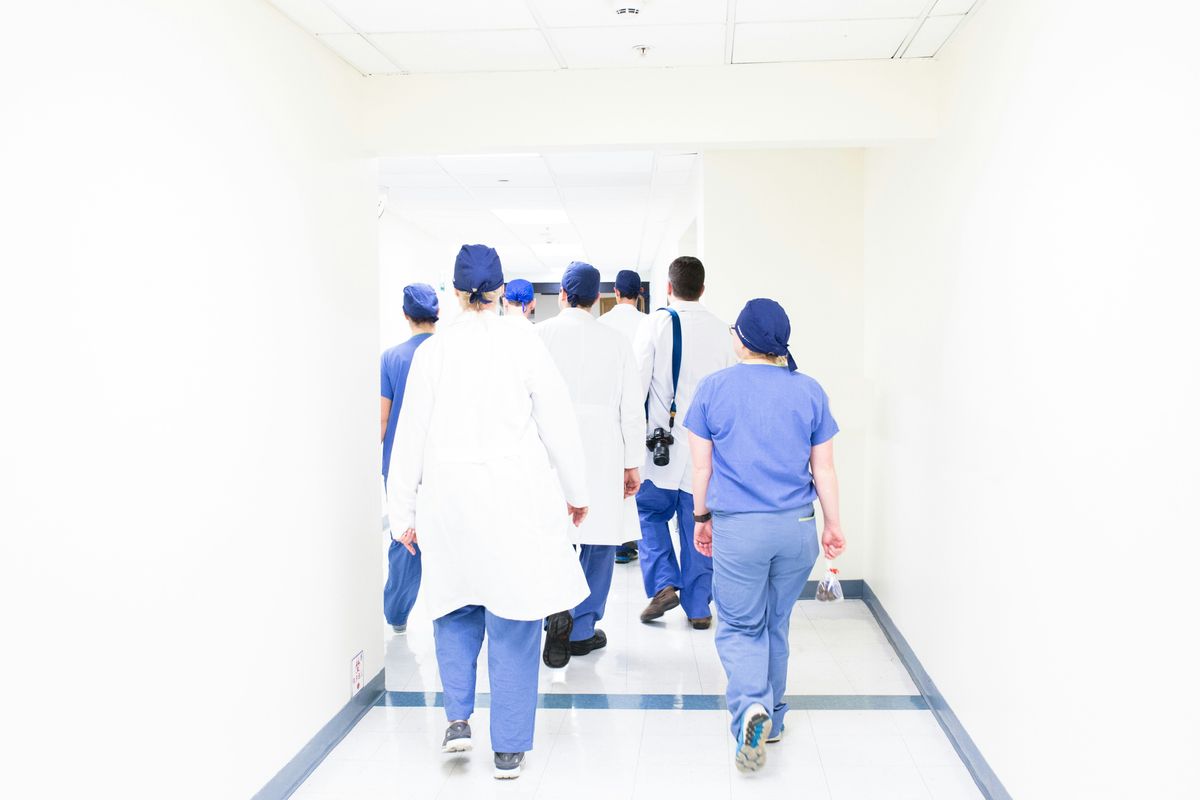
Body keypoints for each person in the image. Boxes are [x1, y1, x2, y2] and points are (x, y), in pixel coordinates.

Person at [387, 244, 590, 780]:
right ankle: (508, 749)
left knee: (454, 608)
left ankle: (457, 721)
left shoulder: (433, 352)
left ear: (455, 292)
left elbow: (409, 437)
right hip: (513, 500)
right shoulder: (523, 343)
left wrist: (401, 510)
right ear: (500, 291)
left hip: (449, 502)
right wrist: (577, 491)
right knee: (515, 618)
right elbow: (558, 422)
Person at [684, 298, 846, 773]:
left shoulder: (713, 389)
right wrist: (834, 524)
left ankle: (750, 706)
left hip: (741, 529)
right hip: (797, 529)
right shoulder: (810, 390)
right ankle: (772, 719)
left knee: (739, 626)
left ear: (742, 339)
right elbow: (826, 469)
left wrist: (700, 518)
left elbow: (701, 467)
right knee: (776, 623)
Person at [536, 262, 643, 659]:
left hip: (550, 447)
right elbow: (632, 410)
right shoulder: (616, 341)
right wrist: (632, 463)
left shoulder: (539, 336)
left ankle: (553, 610)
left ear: (563, 295)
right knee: (598, 540)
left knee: (553, 532)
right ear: (599, 298)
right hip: (603, 447)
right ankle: (581, 628)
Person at [632, 256, 736, 629]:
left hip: (660, 449)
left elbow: (637, 385)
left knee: (648, 515)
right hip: (705, 454)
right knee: (700, 524)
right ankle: (698, 608)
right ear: (703, 289)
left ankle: (664, 584)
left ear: (669, 288)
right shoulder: (724, 331)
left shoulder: (657, 323)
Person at [380, 283, 439, 634]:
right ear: (438, 314)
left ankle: (398, 614)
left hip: (401, 461)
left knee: (406, 536)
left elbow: (383, 419)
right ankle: (454, 613)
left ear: (405, 315)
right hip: (442, 461)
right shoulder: (450, 352)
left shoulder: (392, 357)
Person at [599, 268, 646, 565]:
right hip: (640, 410)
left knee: (611, 479)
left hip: (608, 413)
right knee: (638, 480)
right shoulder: (650, 323)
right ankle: (632, 542)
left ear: (615, 292)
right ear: (640, 294)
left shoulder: (601, 324)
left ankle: (618, 543)